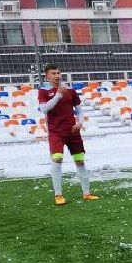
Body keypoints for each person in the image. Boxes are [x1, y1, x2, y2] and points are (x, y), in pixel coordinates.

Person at [37, 65, 97, 205]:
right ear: (47, 76)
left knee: (80, 161)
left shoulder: (70, 90)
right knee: (57, 159)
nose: (57, 75)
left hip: (73, 132)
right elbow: (44, 108)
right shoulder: (43, 91)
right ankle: (58, 196)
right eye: (53, 73)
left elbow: (79, 110)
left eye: (58, 73)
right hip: (56, 132)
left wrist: (80, 122)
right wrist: (58, 95)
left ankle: (86, 193)